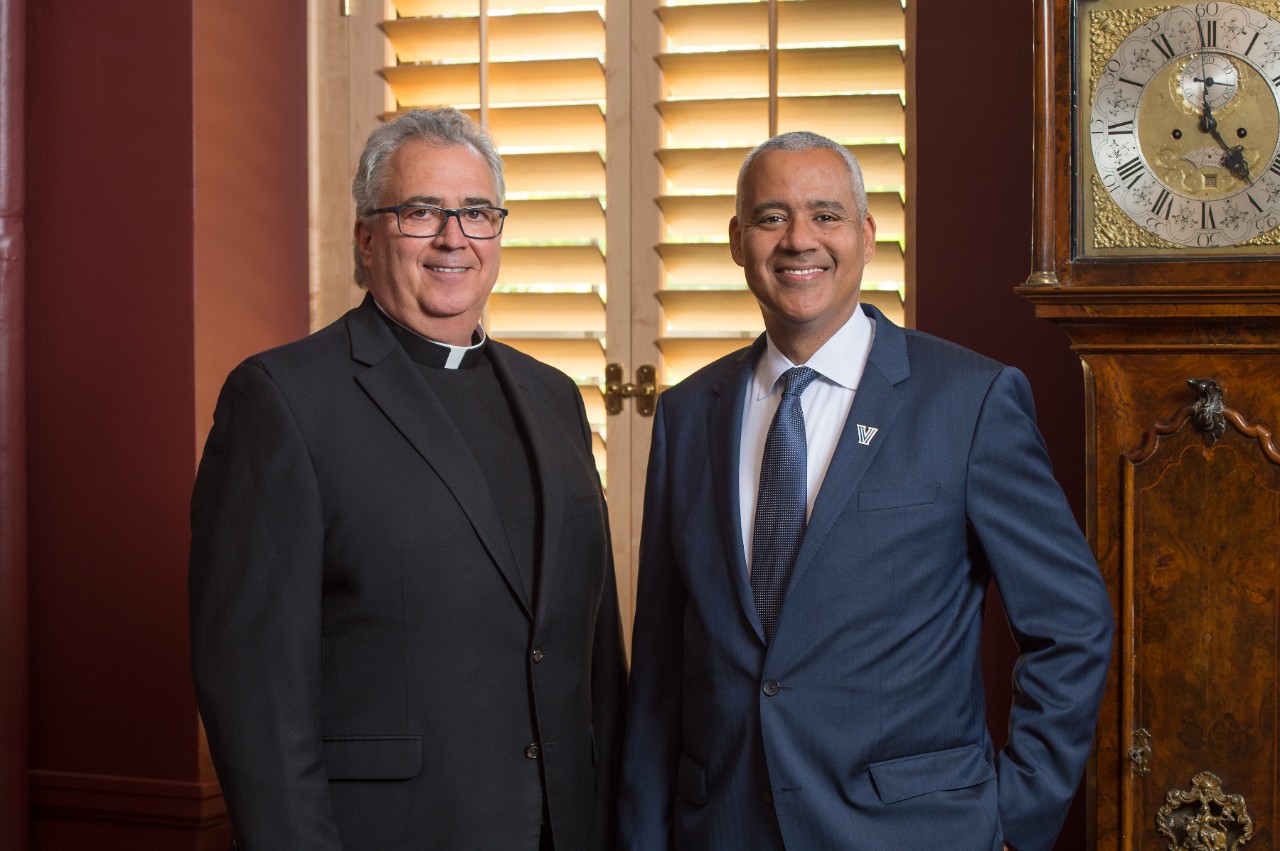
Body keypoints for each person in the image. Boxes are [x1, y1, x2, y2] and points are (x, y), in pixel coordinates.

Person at [617, 131, 1114, 851]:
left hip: (913, 831)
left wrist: (1012, 819)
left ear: (867, 235)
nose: (798, 240)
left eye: (826, 215)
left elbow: (1072, 624)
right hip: (720, 826)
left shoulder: (970, 401)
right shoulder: (688, 413)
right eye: (770, 217)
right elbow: (663, 662)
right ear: (736, 240)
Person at [190, 107, 625, 851]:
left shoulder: (555, 397)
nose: (454, 237)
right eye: (422, 211)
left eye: (477, 213)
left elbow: (595, 655)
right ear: (367, 236)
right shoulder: (282, 399)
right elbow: (254, 695)